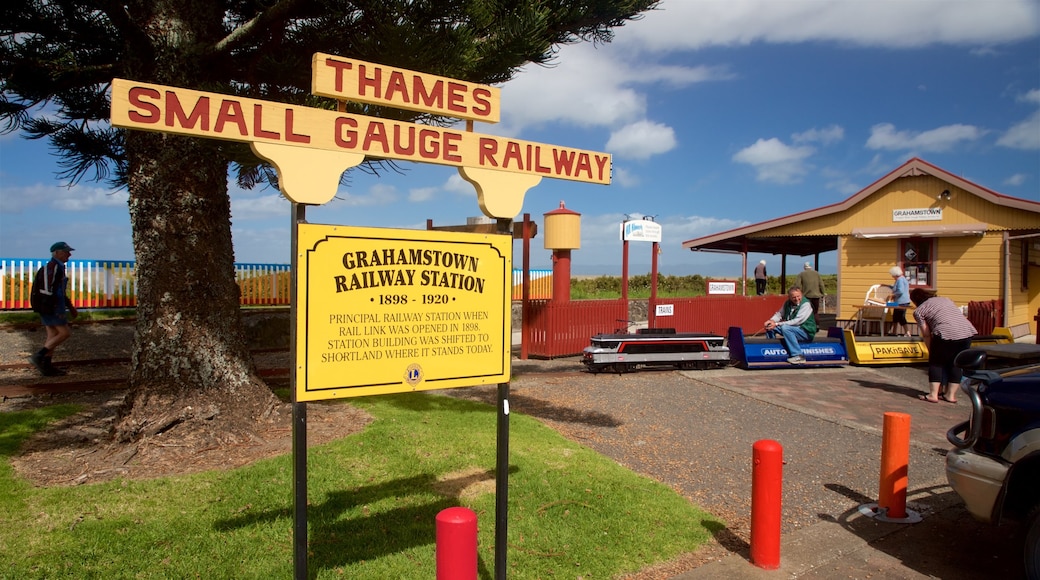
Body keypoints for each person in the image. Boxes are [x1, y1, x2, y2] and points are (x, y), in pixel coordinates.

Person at [910, 288, 977, 404]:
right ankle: (950, 395)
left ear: (915, 301)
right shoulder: (945, 300)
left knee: (936, 363)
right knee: (956, 364)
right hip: (966, 332)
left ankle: (933, 395)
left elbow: (926, 333)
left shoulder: (919, 311)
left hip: (945, 332)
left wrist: (931, 350)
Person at [28, 241, 78, 376]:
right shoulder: (53, 267)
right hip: (52, 307)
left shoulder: (59, 267)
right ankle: (39, 356)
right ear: (57, 253)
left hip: (53, 307)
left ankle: (46, 365)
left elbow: (60, 291)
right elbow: (47, 290)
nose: (69, 254)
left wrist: (70, 307)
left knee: (53, 335)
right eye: (66, 252)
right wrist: (53, 309)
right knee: (64, 333)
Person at [764, 285, 816, 364]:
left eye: (798, 296)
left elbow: (797, 321)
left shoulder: (806, 304)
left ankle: (798, 355)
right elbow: (779, 314)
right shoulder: (787, 303)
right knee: (770, 327)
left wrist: (777, 323)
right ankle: (771, 351)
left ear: (801, 294)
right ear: (789, 297)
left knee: (785, 328)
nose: (797, 299)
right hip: (794, 329)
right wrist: (771, 321)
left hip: (805, 331)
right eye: (794, 297)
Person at [796, 262, 825, 328]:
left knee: (805, 311)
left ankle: (807, 325)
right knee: (815, 311)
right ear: (811, 267)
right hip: (816, 296)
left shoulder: (801, 274)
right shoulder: (816, 273)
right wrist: (823, 293)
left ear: (804, 267)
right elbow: (821, 284)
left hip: (806, 296)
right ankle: (817, 325)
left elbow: (797, 285)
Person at [886, 266, 912, 336]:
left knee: (901, 317)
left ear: (895, 274)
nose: (892, 276)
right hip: (900, 302)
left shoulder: (900, 280)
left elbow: (900, 291)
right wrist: (886, 285)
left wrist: (893, 295)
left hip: (901, 302)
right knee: (895, 316)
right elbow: (894, 287)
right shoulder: (902, 279)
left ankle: (907, 332)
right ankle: (894, 331)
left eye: (892, 275)